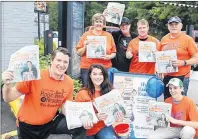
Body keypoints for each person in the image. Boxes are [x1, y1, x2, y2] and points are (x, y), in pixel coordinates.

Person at [2, 47, 86, 139]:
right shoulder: (34, 76)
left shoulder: (68, 82)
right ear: (51, 60)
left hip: (50, 123)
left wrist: (77, 117)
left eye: (65, 62)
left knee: (80, 124)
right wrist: (7, 85)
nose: (62, 64)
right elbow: (8, 97)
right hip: (27, 126)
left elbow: (64, 106)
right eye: (59, 60)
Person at [75, 64, 124, 139]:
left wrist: (118, 117)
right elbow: (76, 116)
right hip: (85, 130)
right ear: (90, 76)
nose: (98, 77)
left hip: (102, 127)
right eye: (94, 74)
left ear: (104, 76)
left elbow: (115, 115)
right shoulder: (82, 93)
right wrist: (95, 117)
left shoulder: (110, 92)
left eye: (101, 74)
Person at [160, 16, 198, 99]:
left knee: (180, 103)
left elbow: (196, 58)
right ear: (168, 26)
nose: (174, 26)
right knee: (167, 102)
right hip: (167, 77)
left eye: (176, 24)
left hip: (182, 76)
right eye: (171, 24)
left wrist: (183, 62)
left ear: (181, 26)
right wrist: (159, 69)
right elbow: (160, 57)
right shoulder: (164, 39)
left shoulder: (188, 39)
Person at [76, 13, 116, 87]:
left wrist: (109, 57)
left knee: (104, 91)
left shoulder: (108, 36)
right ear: (93, 23)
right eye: (97, 21)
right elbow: (79, 52)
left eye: (101, 22)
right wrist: (85, 47)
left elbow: (114, 52)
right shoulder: (86, 35)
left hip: (104, 68)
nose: (99, 24)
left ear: (103, 24)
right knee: (88, 91)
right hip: (88, 68)